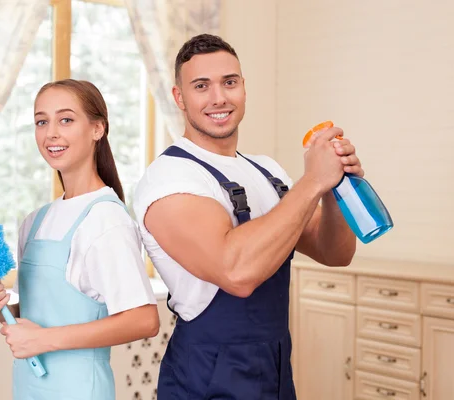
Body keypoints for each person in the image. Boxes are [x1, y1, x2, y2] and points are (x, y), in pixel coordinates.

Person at [133, 34, 361, 399]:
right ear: (179, 97)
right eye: (201, 86)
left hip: (273, 367)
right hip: (208, 375)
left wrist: (333, 189)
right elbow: (236, 273)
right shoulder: (169, 179)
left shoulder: (267, 171)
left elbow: (335, 253)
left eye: (230, 82)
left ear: (243, 88)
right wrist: (312, 180)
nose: (218, 97)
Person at [0, 79, 159, 400]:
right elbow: (39, 316)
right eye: (41, 121)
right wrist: (1, 309)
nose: (51, 133)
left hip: (80, 390)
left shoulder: (106, 219)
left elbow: (144, 320)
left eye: (66, 119)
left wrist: (45, 340)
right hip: (29, 387)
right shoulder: (34, 221)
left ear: (97, 129)